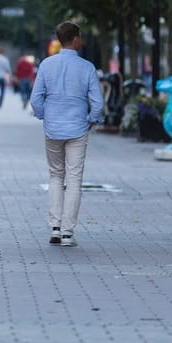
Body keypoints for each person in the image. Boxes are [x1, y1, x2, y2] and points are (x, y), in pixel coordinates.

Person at [30, 21, 104, 247]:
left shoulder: (46, 65)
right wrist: (92, 119)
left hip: (53, 128)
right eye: (79, 37)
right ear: (75, 39)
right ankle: (67, 232)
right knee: (74, 179)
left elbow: (35, 99)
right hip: (78, 129)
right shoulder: (87, 68)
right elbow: (98, 103)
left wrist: (45, 116)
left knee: (55, 175)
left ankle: (54, 226)